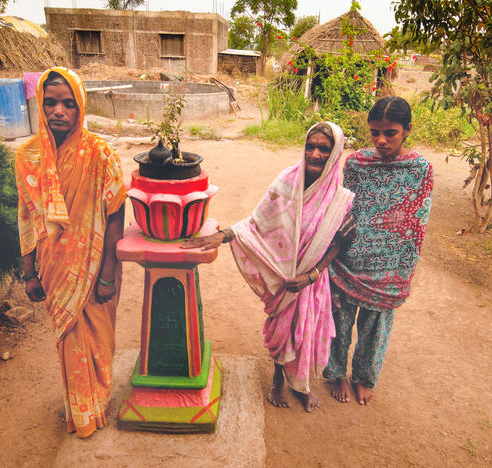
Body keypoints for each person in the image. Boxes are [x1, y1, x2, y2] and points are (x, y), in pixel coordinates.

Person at [182, 122, 356, 412]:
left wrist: (311, 276)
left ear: (335, 153)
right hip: (284, 278)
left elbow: (338, 243)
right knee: (282, 330)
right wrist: (223, 236)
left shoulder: (339, 199)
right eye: (309, 146)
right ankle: (278, 379)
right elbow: (257, 223)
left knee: (308, 331)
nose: (314, 154)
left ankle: (301, 385)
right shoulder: (286, 182)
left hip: (311, 281)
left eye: (323, 149)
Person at [14, 67, 126, 437]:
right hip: (54, 268)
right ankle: (80, 412)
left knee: (97, 339)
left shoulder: (100, 153)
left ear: (81, 107)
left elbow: (115, 215)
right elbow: (27, 217)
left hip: (95, 269)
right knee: (69, 340)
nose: (58, 111)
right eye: (50, 103)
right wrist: (29, 272)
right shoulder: (28, 157)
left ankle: (98, 404)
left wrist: (108, 272)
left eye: (68, 104)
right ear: (40, 106)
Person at [323, 96, 434, 405]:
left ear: (407, 130)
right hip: (349, 260)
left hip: (390, 267)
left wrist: (403, 271)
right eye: (374, 133)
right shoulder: (357, 163)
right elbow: (344, 208)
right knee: (339, 323)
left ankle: (363, 378)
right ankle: (337, 374)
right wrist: (332, 253)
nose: (381, 140)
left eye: (390, 133)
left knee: (375, 329)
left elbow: (417, 221)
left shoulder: (420, 170)